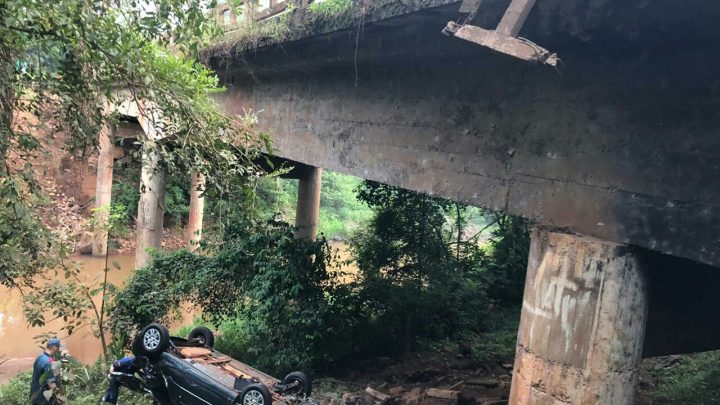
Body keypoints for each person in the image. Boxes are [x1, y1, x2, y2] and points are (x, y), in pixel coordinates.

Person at [29, 338, 61, 404]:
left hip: (35, 396)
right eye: (58, 347)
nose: (59, 349)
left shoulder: (40, 357)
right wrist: (59, 397)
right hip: (44, 399)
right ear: (54, 347)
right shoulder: (48, 363)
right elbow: (51, 384)